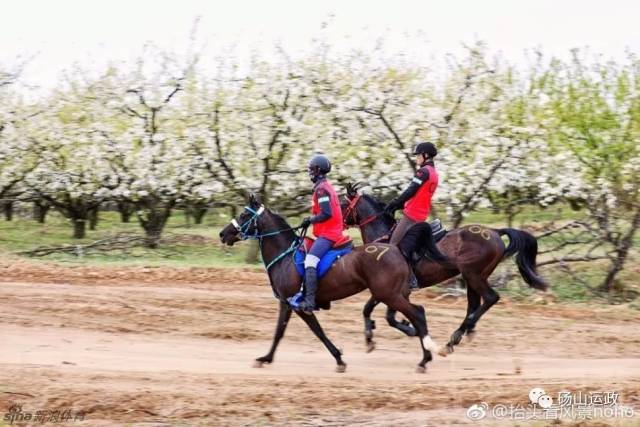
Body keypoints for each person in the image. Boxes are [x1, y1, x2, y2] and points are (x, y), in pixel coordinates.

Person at [295, 154, 347, 313]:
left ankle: (310, 302)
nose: (309, 172)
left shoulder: (322, 189)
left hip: (330, 234)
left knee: (310, 261)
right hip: (328, 231)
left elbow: (326, 213)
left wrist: (310, 220)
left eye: (311, 169)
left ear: (318, 170)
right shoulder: (324, 186)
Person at [384, 142, 439, 245]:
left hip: (412, 215)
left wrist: (395, 202)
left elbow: (411, 190)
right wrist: (400, 205)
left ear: (425, 155)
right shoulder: (434, 173)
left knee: (392, 246)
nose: (416, 158)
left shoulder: (423, 172)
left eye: (418, 155)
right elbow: (419, 194)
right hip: (422, 215)